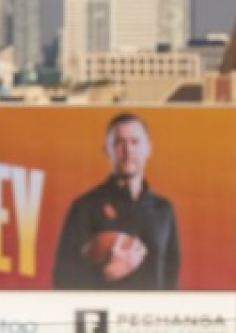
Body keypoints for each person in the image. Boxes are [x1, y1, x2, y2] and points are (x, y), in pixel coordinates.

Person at [53, 113, 181, 289]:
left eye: (135, 142)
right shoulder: (86, 207)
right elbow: (62, 279)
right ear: (107, 149)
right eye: (119, 143)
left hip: (149, 316)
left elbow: (171, 280)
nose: (128, 151)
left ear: (148, 148)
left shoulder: (164, 210)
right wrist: (107, 274)